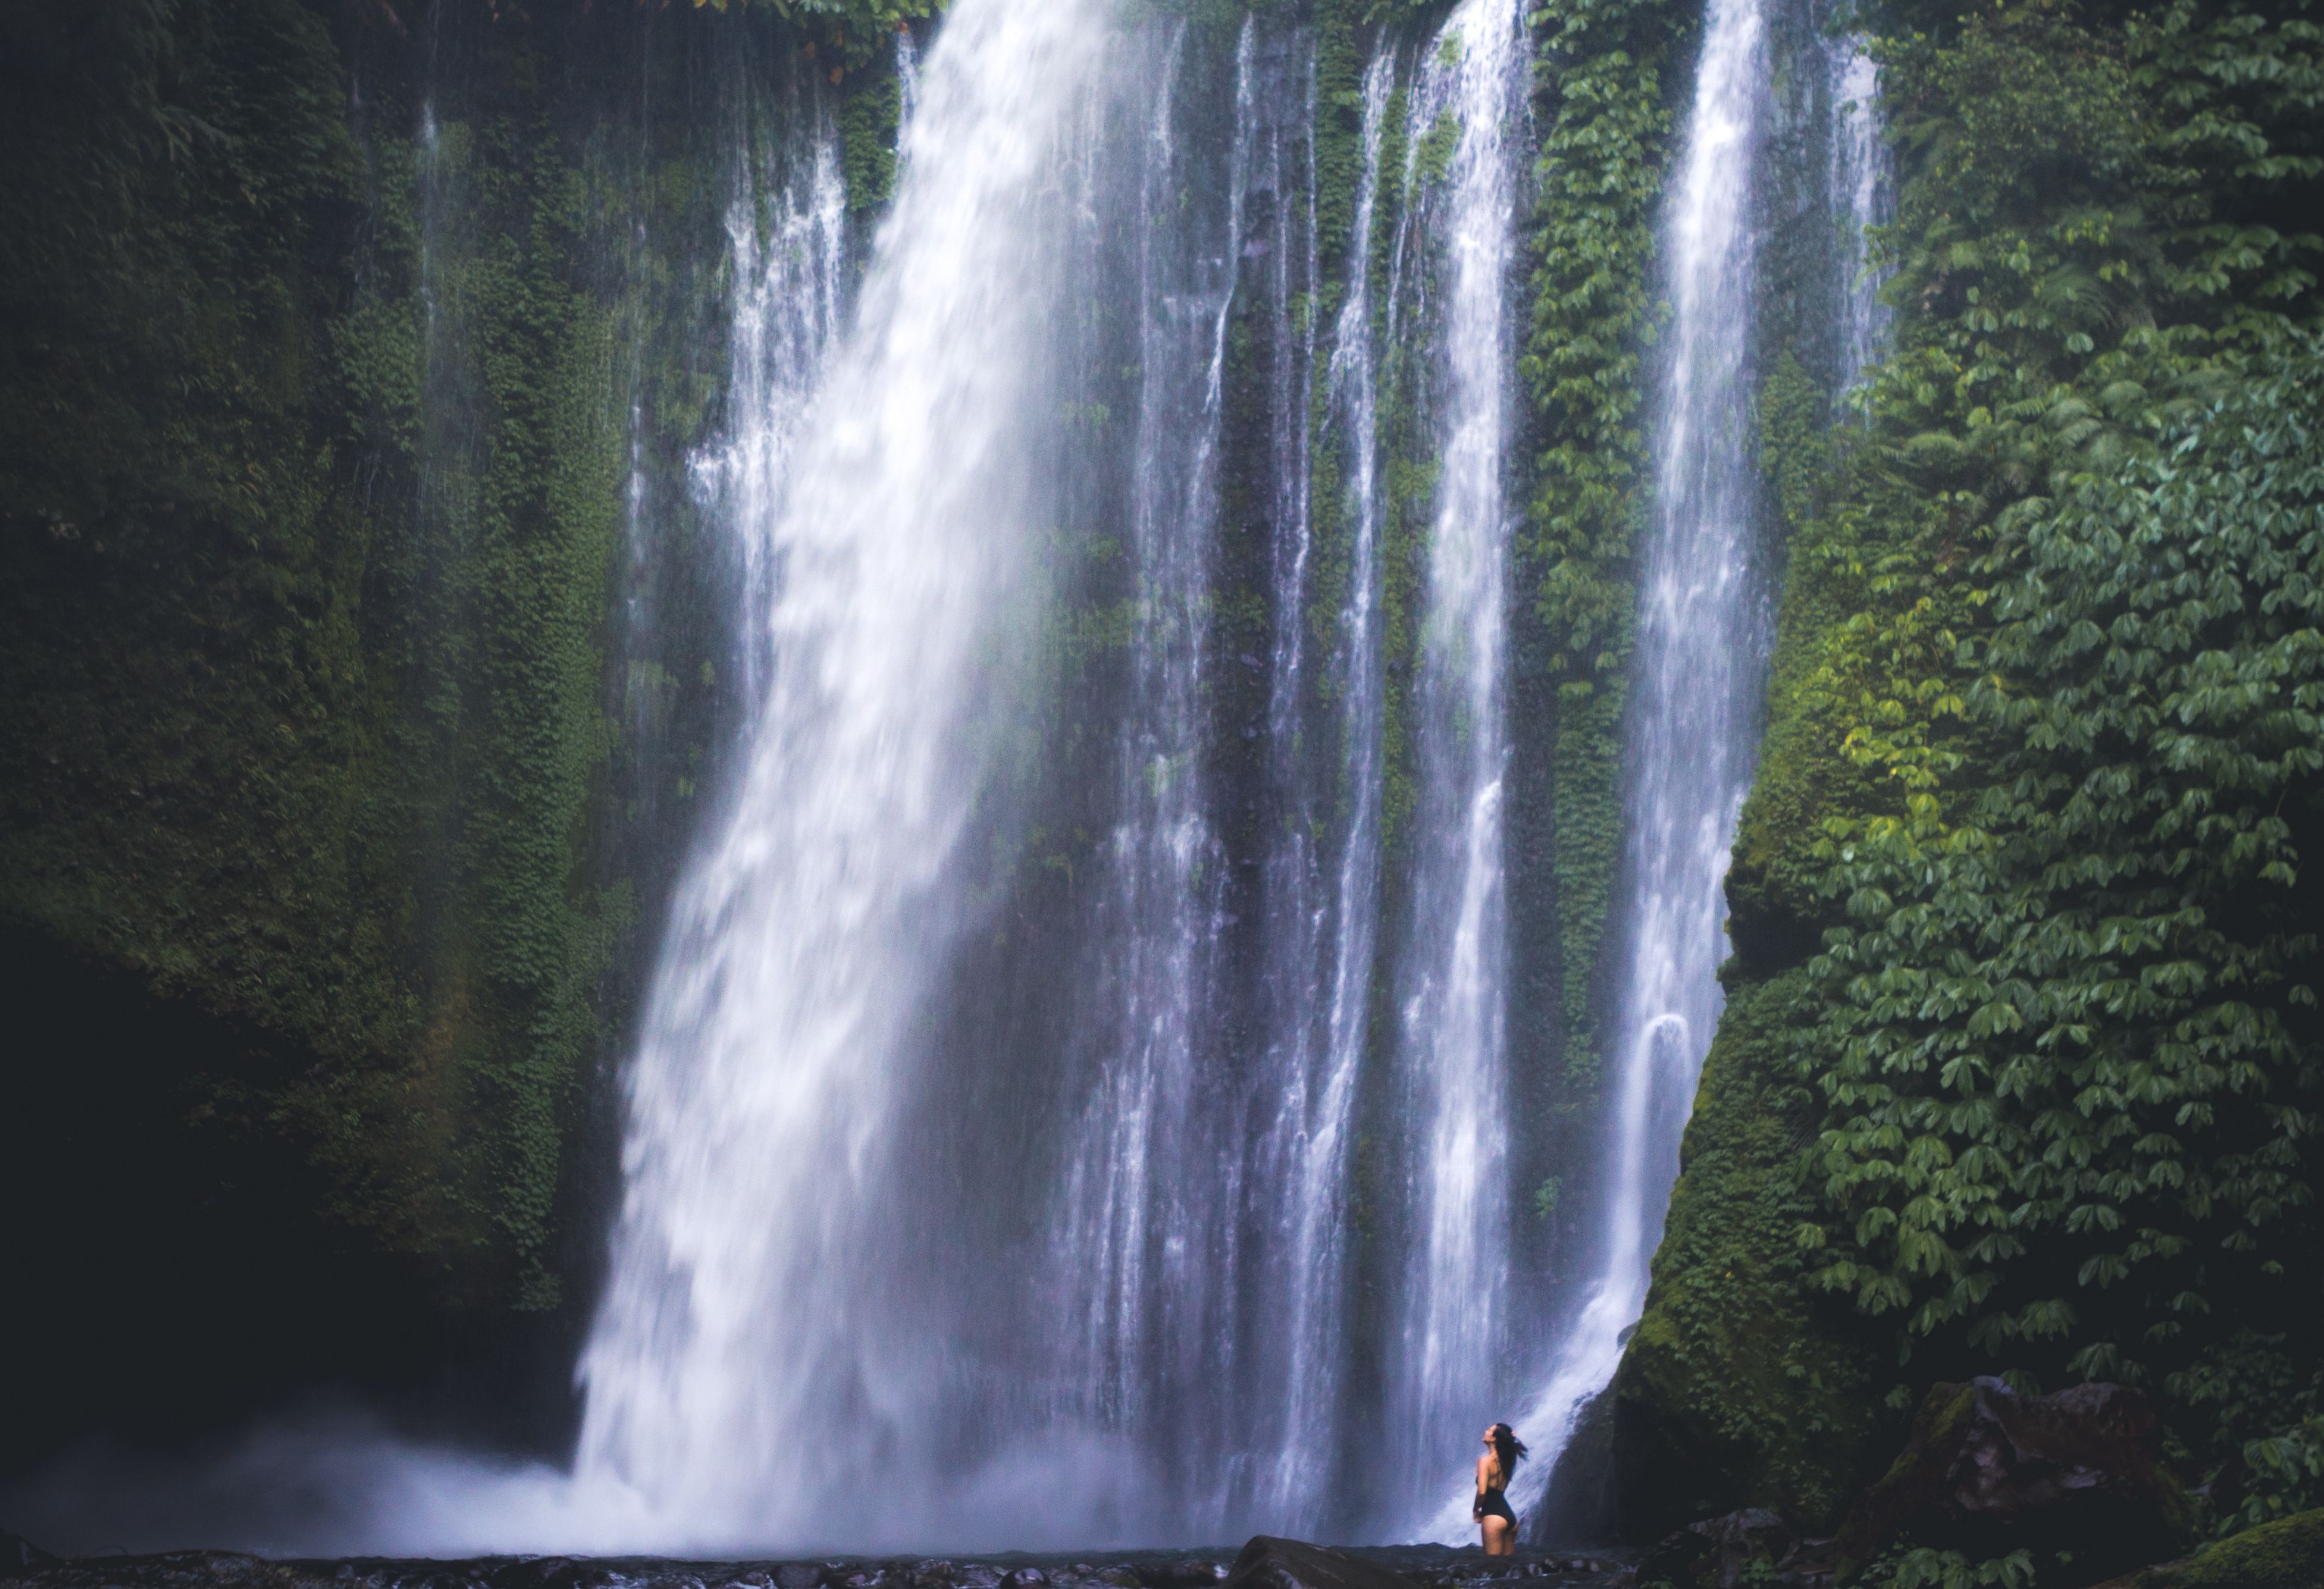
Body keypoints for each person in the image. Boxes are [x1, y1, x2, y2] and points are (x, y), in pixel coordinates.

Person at [1473, 1421, 1527, 1555]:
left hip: (1493, 1518)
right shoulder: (1508, 1460)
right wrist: (1510, 1436)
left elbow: (1482, 1492)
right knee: (1508, 1569)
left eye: (1489, 1430)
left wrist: (1476, 1510)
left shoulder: (1485, 1461)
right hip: (1510, 1518)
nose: (1486, 1431)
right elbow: (1509, 1443)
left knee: (1493, 1567)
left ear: (1493, 1439)